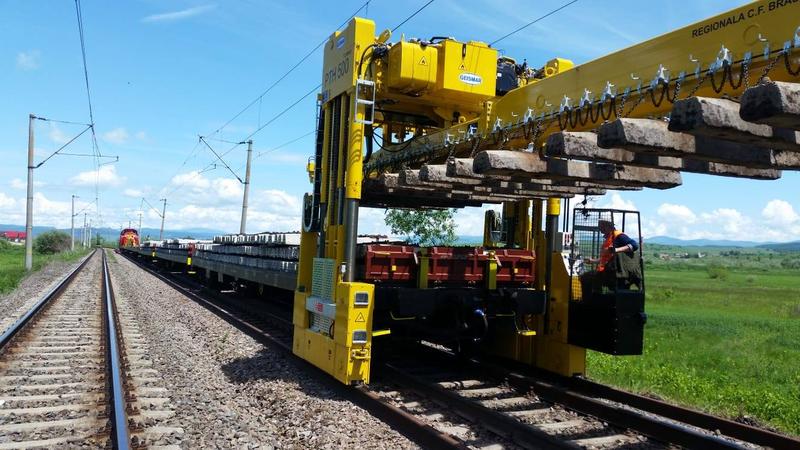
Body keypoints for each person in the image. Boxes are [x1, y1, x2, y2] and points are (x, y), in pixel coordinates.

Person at [580, 219, 641, 298]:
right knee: (592, 278)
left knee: (586, 277)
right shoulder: (609, 237)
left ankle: (592, 300)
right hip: (609, 270)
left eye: (601, 227)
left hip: (614, 272)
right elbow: (608, 258)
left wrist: (616, 250)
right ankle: (596, 298)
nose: (600, 229)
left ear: (608, 226)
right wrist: (593, 261)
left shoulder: (619, 236)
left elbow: (634, 245)